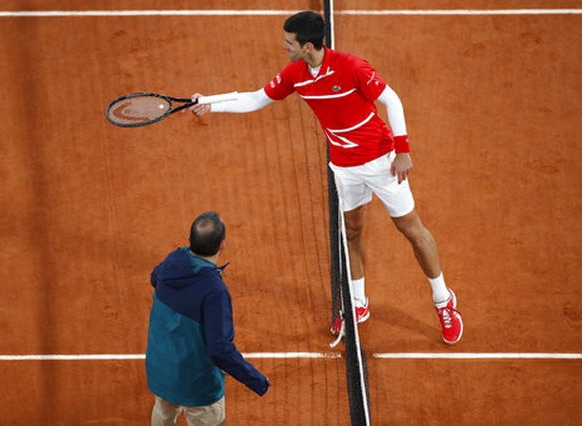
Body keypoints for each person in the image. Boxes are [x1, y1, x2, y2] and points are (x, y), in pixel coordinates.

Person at [189, 11, 463, 345]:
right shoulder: (296, 73)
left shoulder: (352, 67)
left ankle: (442, 299)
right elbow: (257, 98)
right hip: (344, 167)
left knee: (411, 229)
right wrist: (210, 103)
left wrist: (403, 149)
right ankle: (358, 303)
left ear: (307, 45)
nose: (284, 47)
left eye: (289, 42)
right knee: (353, 231)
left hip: (382, 162)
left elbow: (391, 100)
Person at [146, 211, 270, 426]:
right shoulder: (214, 291)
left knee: (163, 412)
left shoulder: (172, 261)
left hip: (161, 370)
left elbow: (154, 278)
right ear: (222, 245)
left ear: (190, 241)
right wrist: (256, 379)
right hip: (198, 385)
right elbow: (219, 350)